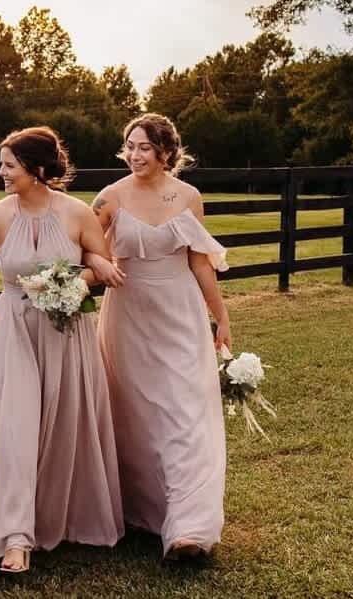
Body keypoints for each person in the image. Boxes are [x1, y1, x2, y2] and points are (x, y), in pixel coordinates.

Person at [0, 126, 124, 573]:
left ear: (37, 169)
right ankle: (16, 537)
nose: (1, 172)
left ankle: (65, 514)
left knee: (64, 422)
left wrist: (79, 275)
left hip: (67, 329)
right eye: (1, 164)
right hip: (14, 329)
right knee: (16, 429)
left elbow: (100, 265)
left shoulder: (77, 213)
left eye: (9, 165)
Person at [88, 112, 231, 561]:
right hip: (128, 314)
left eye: (144, 148)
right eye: (130, 146)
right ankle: (144, 508)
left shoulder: (188, 197)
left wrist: (221, 316)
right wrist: (99, 263)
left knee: (185, 408)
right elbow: (85, 247)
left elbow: (199, 262)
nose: (134, 155)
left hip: (179, 311)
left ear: (166, 152)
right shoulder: (110, 197)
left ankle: (188, 528)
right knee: (137, 410)